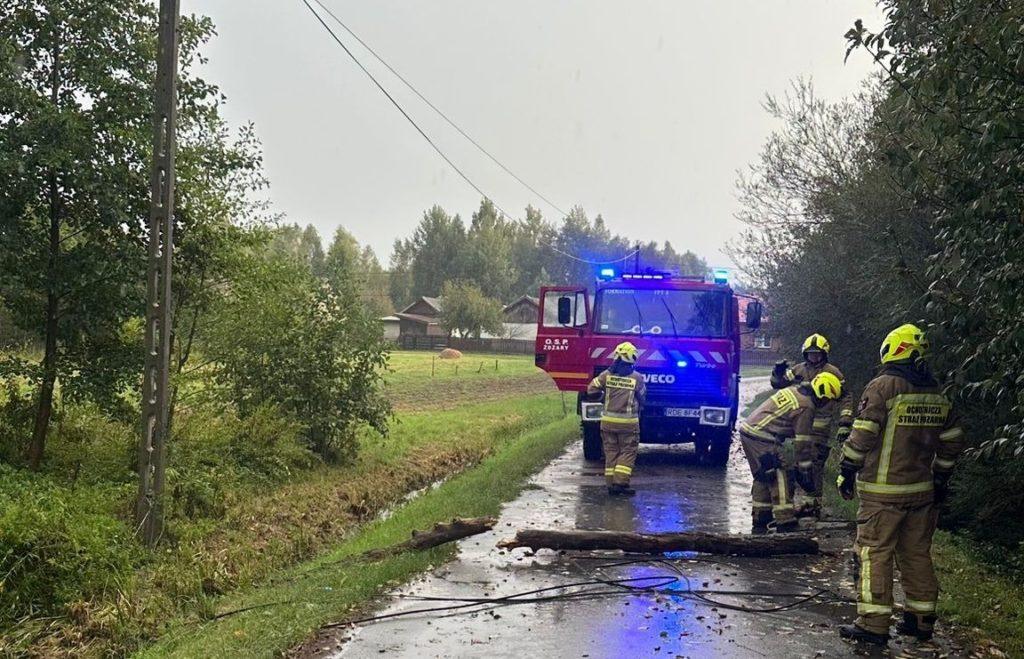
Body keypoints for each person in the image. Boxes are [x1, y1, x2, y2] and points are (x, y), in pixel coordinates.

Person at [836, 324, 965, 645]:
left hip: (882, 495)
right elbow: (952, 442)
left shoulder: (883, 387)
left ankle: (873, 625)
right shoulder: (937, 393)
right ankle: (920, 622)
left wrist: (847, 469)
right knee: (916, 554)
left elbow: (862, 435)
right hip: (922, 493)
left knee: (873, 553)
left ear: (893, 350)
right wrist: (940, 478)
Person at [739, 371, 843, 532]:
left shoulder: (796, 391)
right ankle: (785, 521)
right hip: (763, 436)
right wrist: (805, 471)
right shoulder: (806, 405)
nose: (828, 404)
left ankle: (761, 518)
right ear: (823, 394)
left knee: (764, 474)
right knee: (781, 473)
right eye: (828, 400)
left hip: (751, 431)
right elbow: (802, 443)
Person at [771, 333, 854, 516]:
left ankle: (814, 504)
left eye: (817, 354)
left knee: (815, 464)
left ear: (824, 354)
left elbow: (846, 396)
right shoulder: (799, 369)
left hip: (820, 428)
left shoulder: (833, 372)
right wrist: (776, 373)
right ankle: (795, 501)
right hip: (799, 424)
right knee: (799, 463)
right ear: (805, 354)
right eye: (810, 354)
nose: (814, 357)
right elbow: (780, 384)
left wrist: (845, 422)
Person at [587, 341, 646, 497]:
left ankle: (611, 484)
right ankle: (620, 483)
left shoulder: (606, 375)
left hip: (607, 423)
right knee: (627, 452)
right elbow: (643, 399)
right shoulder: (637, 378)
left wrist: (602, 397)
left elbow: (590, 389)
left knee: (611, 452)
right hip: (628, 424)